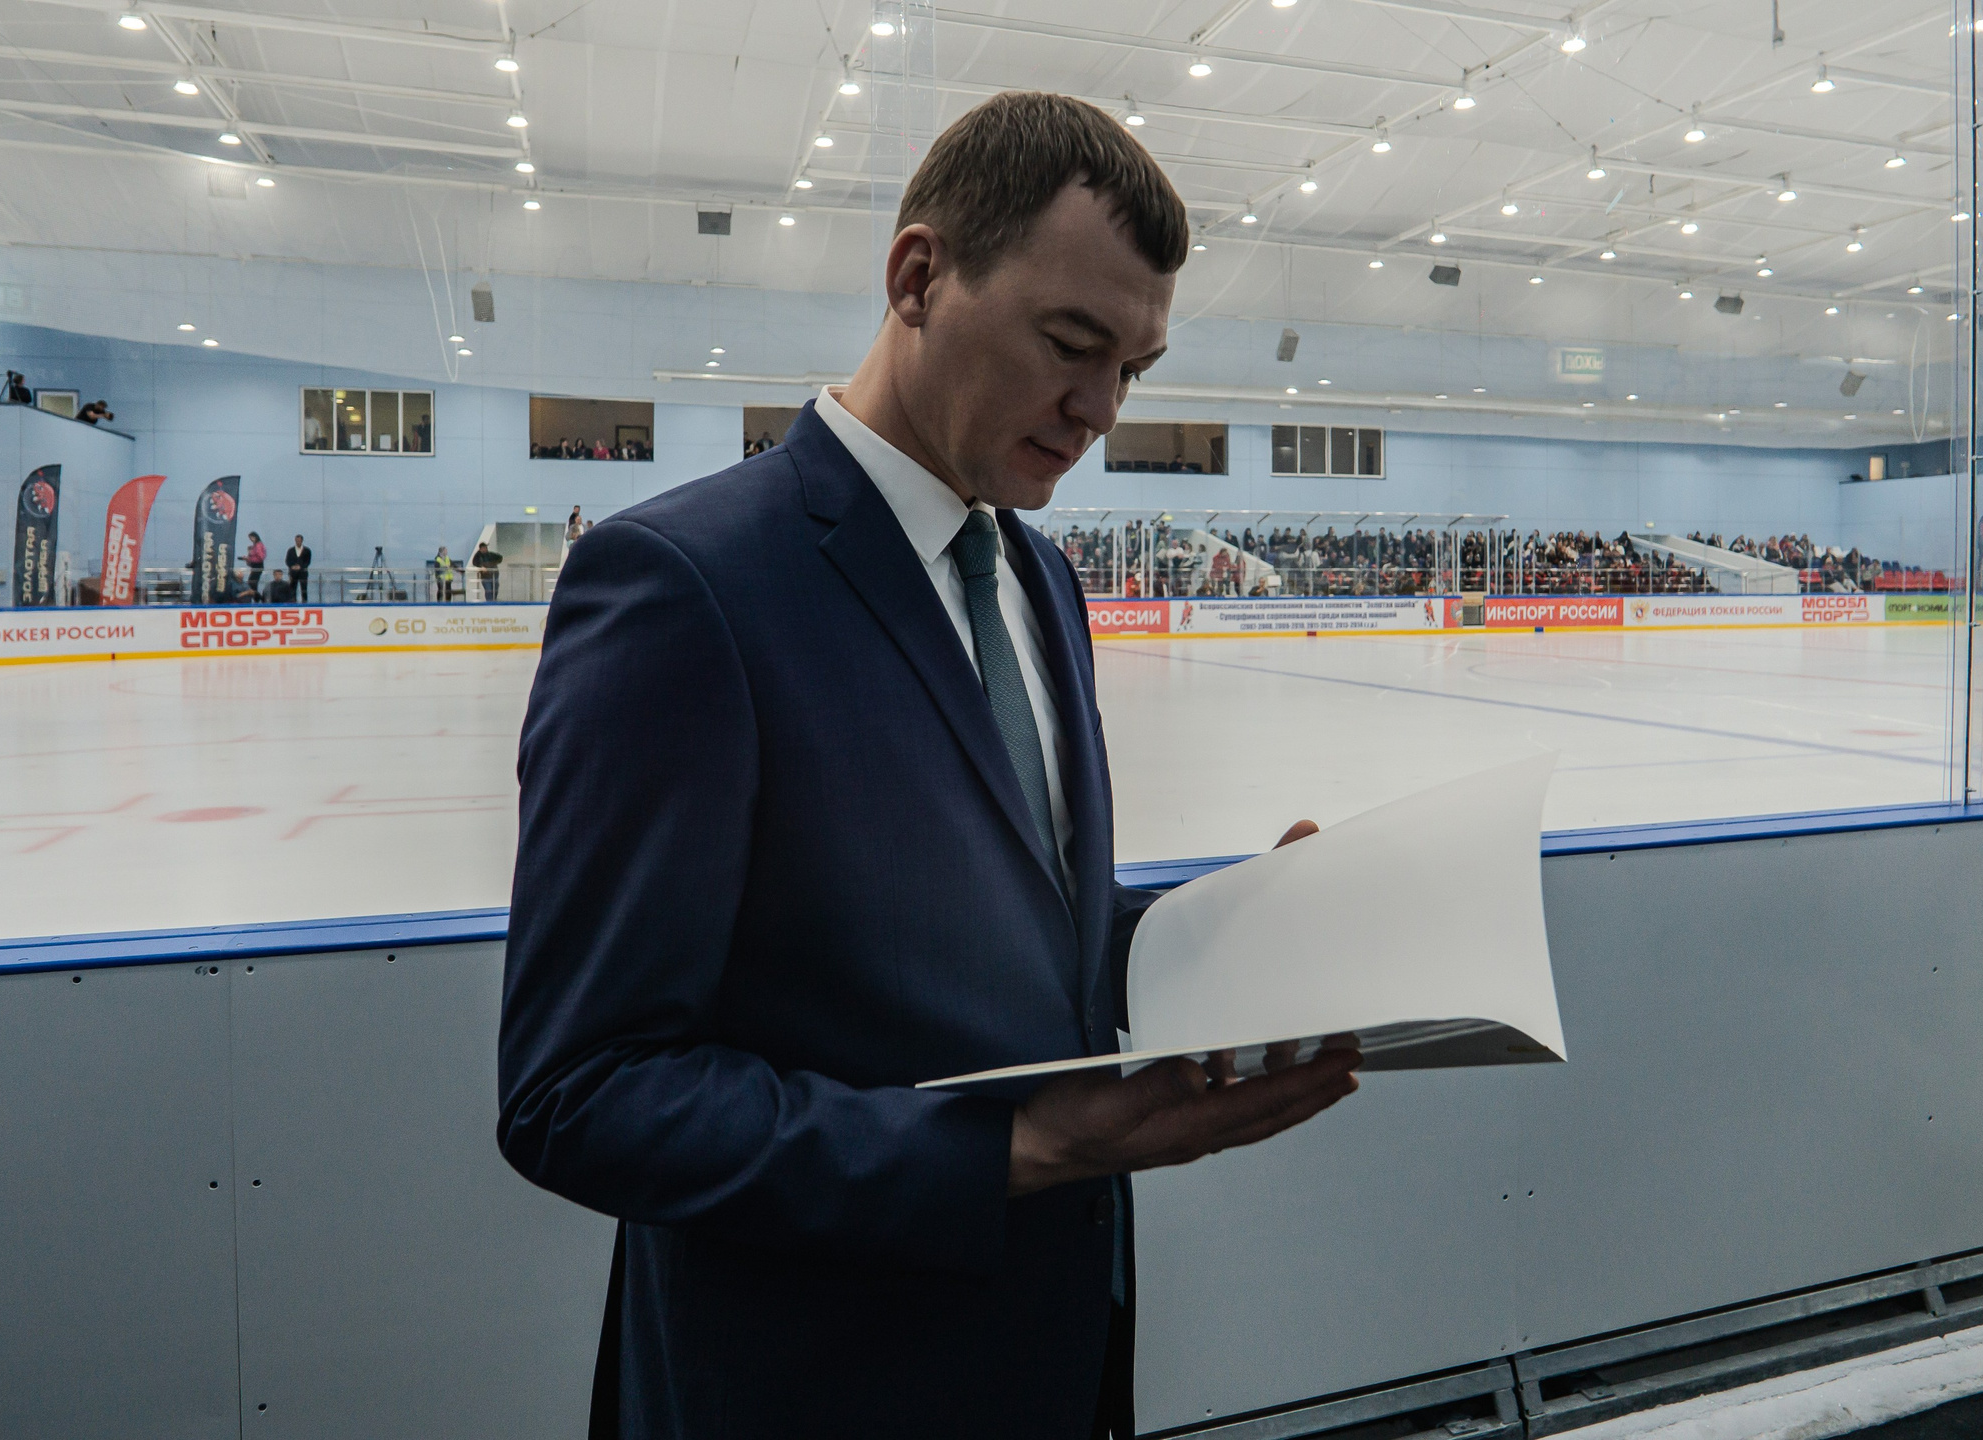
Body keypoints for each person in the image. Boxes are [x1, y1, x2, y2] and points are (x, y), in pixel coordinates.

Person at [499, 92, 1360, 1440]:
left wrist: (1228, 938)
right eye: (1071, 346)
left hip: (1052, 1365)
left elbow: (1025, 935)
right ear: (918, 278)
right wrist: (1027, 1150)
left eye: (1135, 369)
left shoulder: (1041, 576)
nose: (1100, 412)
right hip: (807, 1389)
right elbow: (585, 1094)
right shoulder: (686, 588)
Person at [284, 535, 311, 601]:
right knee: (293, 588)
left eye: (299, 541)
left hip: (303, 573)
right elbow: (287, 560)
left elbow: (307, 562)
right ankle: (293, 601)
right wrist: (292, 566)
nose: (298, 542)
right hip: (293, 573)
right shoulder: (291, 550)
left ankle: (304, 601)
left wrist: (300, 567)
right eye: (297, 541)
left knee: (304, 588)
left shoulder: (307, 550)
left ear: (302, 541)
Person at [244, 532, 266, 597]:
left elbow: (261, 557)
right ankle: (257, 597)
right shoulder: (255, 545)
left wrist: (251, 555)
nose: (251, 539)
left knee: (252, 583)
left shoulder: (258, 545)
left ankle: (258, 598)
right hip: (254, 565)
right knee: (252, 583)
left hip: (258, 565)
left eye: (251, 538)